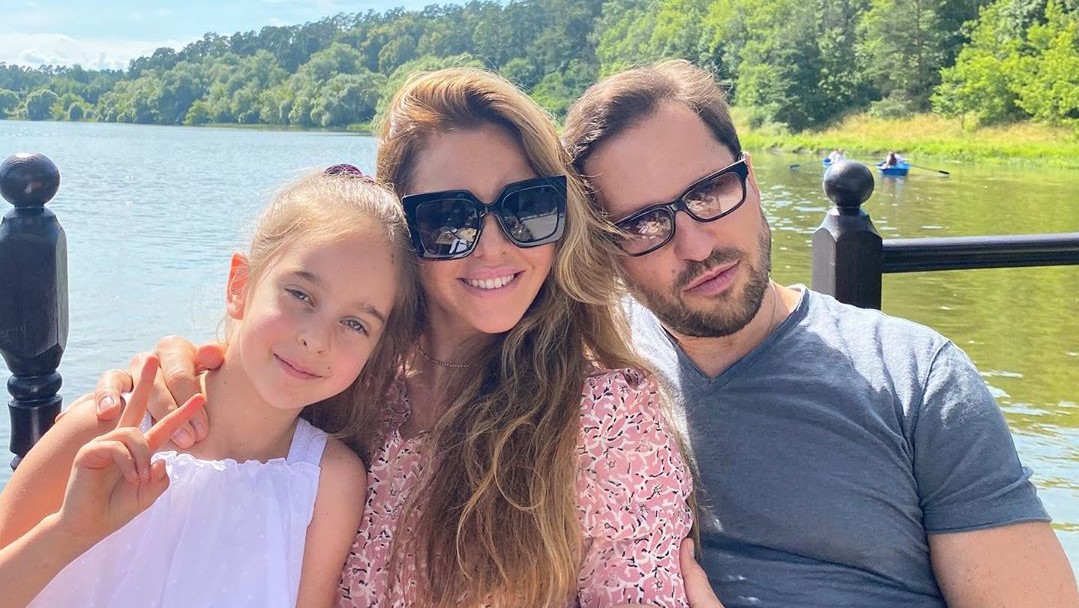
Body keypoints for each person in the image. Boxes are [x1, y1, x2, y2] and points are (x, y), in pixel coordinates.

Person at [84, 68, 696, 607]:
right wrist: (171, 378)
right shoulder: (344, 375)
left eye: (528, 207)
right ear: (401, 236)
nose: (492, 247)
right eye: (449, 219)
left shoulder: (604, 415)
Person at [562, 59, 1079, 608]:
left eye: (710, 191)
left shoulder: (915, 379)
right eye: (641, 224)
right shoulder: (585, 377)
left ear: (751, 179)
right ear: (603, 250)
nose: (696, 246)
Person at [0, 166, 420, 608]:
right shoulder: (106, 432)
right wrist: (68, 533)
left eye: (355, 323)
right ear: (240, 285)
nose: (316, 339)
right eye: (300, 294)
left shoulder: (329, 483)